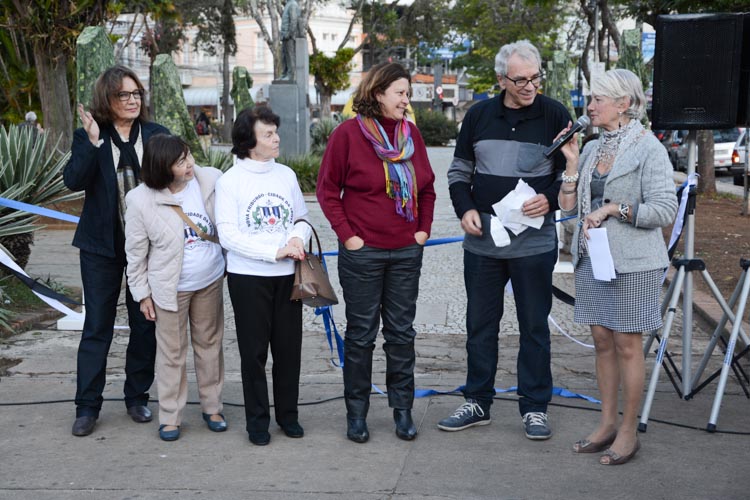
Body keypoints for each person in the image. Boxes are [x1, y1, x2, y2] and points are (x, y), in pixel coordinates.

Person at [440, 40, 572, 440]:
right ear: (501, 79)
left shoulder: (555, 114)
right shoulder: (479, 115)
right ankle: (477, 400)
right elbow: (459, 171)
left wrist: (548, 199)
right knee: (480, 324)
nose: (530, 86)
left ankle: (534, 406)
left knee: (534, 326)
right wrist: (464, 209)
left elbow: (567, 175)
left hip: (534, 243)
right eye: (520, 80)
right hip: (483, 243)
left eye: (535, 78)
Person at [557, 68, 677, 465]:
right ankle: (606, 423)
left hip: (635, 262)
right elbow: (568, 208)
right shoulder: (592, 147)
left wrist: (614, 208)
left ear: (624, 104)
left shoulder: (649, 148)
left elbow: (664, 209)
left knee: (628, 344)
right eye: (591, 99)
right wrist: (572, 162)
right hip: (595, 258)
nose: (589, 106)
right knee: (601, 340)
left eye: (597, 100)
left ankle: (629, 431)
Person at [317, 62, 436, 443]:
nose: (407, 99)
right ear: (378, 93)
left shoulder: (410, 135)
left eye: (407, 93)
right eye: (400, 92)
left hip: (405, 252)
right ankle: (357, 413)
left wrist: (421, 231)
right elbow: (326, 190)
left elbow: (427, 189)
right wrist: (349, 236)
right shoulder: (348, 135)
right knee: (361, 335)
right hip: (362, 254)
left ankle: (402, 411)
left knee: (402, 334)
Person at [64, 65, 169, 437]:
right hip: (100, 248)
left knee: (145, 324)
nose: (132, 100)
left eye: (136, 93)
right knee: (97, 326)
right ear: (107, 100)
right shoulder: (88, 136)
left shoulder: (156, 135)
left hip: (149, 250)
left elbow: (176, 179)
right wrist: (93, 143)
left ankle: (136, 396)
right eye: (123, 95)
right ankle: (87, 406)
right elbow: (73, 180)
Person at [214, 106, 311, 446]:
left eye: (275, 131)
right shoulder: (230, 182)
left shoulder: (286, 175)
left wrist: (298, 238)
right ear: (248, 140)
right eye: (268, 134)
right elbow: (228, 235)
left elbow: (301, 216)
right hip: (248, 278)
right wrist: (273, 251)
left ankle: (289, 415)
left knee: (289, 350)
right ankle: (258, 421)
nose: (276, 138)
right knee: (254, 353)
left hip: (288, 276)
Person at [124, 134, 226, 442]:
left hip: (209, 282)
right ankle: (170, 415)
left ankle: (213, 406)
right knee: (171, 353)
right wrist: (141, 294)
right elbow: (136, 253)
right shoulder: (140, 200)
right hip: (169, 288)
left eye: (189, 156)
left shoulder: (210, 180)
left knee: (209, 345)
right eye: (181, 162)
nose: (190, 164)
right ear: (161, 167)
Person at [279, 0, 303, 80]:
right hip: (284, 36)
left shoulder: (292, 4)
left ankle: (290, 76)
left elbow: (293, 20)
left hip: (289, 36)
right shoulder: (287, 4)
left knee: (290, 56)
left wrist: (289, 33)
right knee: (283, 56)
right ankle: (284, 74)